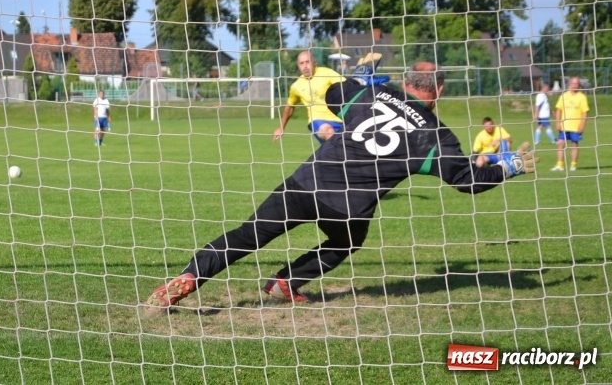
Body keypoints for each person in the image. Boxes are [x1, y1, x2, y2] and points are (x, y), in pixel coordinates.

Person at [142, 62, 536, 315]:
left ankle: (189, 279)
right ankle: (285, 282)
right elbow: (468, 182)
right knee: (346, 242)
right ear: (441, 92)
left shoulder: (372, 93)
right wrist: (510, 166)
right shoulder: (436, 135)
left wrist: (364, 81)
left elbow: (330, 93)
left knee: (246, 235)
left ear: (404, 82)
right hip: (347, 208)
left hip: (304, 183)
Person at [273, 51, 347, 144]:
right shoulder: (296, 86)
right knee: (329, 133)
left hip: (340, 120)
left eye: (308, 62)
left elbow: (346, 85)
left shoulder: (327, 73)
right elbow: (289, 106)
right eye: (302, 63)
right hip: (317, 121)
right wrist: (281, 127)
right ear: (298, 65)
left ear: (314, 62)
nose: (305, 66)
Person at [552, 76, 590, 172]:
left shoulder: (582, 97)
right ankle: (560, 165)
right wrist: (557, 122)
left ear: (579, 85)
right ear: (570, 84)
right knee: (560, 144)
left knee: (574, 144)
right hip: (564, 125)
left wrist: (582, 125)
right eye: (573, 83)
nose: (574, 85)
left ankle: (573, 165)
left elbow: (585, 112)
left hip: (576, 126)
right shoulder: (564, 96)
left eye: (576, 83)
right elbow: (558, 110)